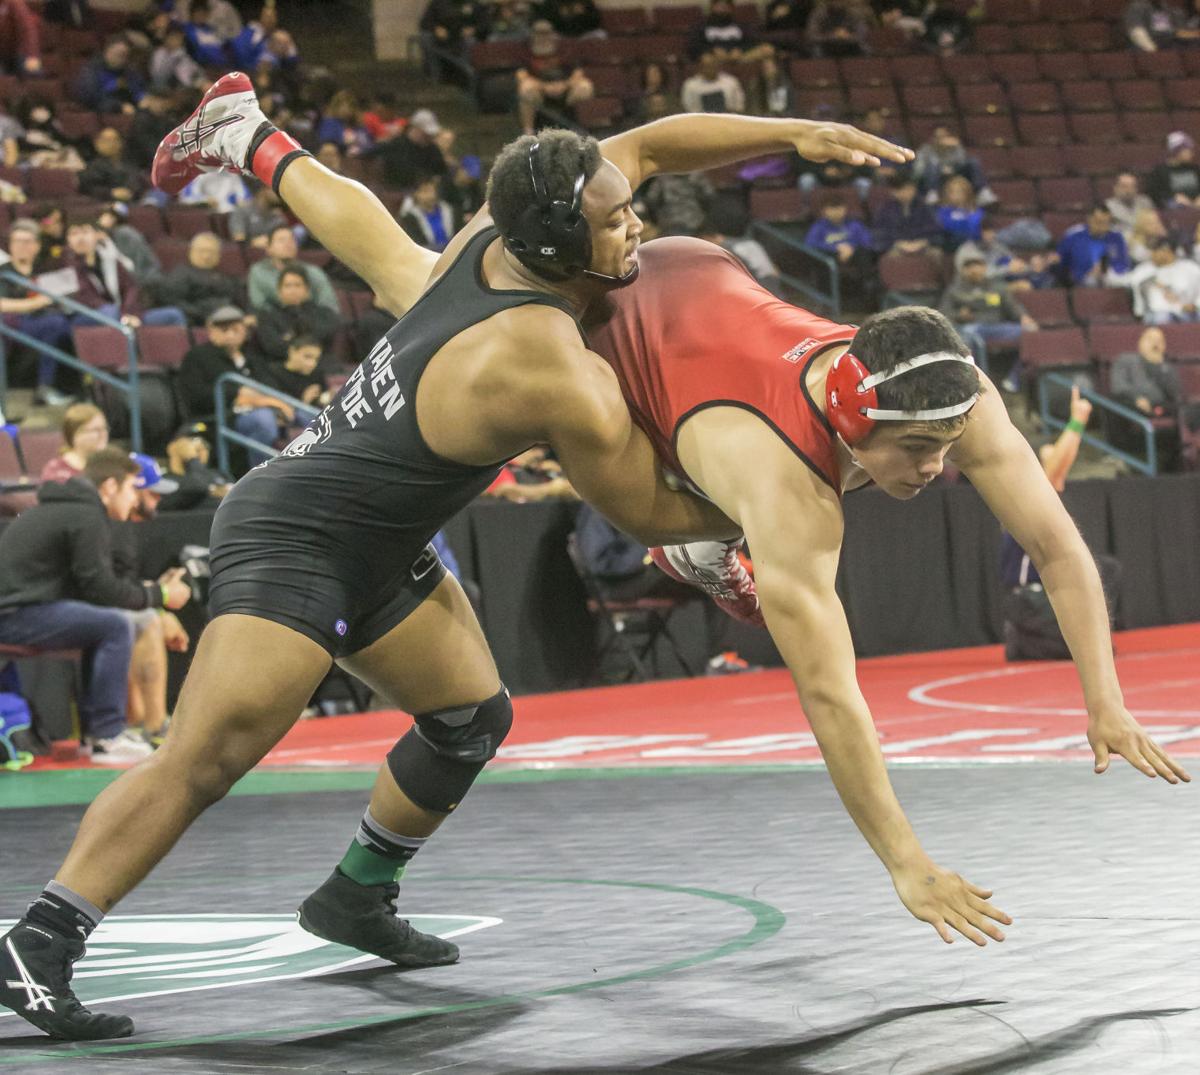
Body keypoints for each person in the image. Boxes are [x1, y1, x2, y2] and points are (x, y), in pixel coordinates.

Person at [0, 72, 921, 1040]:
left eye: (629, 216)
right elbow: (650, 510)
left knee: (468, 716)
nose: (636, 232)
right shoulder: (543, 364)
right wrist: (777, 497)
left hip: (380, 533)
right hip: (300, 536)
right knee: (205, 758)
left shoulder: (504, 233)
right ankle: (41, 940)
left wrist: (796, 129)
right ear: (562, 247)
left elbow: (649, 145)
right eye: (615, 228)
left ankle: (357, 893)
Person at [0, 448, 191, 766]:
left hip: (20, 609)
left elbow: (91, 589)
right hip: (13, 616)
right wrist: (161, 596)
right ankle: (107, 736)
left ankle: (98, 735)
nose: (133, 498)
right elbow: (101, 590)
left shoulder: (70, 510)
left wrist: (152, 597)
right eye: (131, 488)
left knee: (104, 623)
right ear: (110, 487)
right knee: (114, 624)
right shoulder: (86, 515)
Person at [1000, 387, 1121, 660]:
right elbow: (1054, 470)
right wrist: (1077, 421)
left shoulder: (1046, 493)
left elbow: (1060, 466)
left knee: (1105, 570)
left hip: (1042, 595)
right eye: (1049, 452)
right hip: (1028, 600)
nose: (1056, 455)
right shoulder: (1023, 494)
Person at [112, 453, 191, 744]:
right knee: (144, 621)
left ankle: (145, 724)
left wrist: (158, 599)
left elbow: (120, 584)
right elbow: (107, 589)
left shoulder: (124, 528)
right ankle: (152, 726)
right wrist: (161, 602)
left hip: (101, 603)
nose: (158, 501)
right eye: (152, 494)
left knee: (143, 618)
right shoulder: (110, 526)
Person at [176, 305, 284, 462]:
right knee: (263, 420)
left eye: (235, 329)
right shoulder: (197, 357)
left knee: (309, 417)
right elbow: (196, 397)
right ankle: (260, 477)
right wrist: (236, 394)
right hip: (223, 416)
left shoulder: (252, 357)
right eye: (224, 329)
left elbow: (271, 385)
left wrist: (265, 401)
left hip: (261, 407)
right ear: (211, 331)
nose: (230, 334)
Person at [64, 217, 187, 329]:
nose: (80, 238)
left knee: (174, 315)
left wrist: (130, 314)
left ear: (97, 235)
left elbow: (131, 288)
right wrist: (121, 315)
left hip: (122, 314)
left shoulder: (111, 258)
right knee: (110, 312)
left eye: (85, 232)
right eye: (74, 234)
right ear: (68, 240)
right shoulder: (66, 264)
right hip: (86, 315)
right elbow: (86, 297)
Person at [0, 218, 74, 406]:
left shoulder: (45, 270)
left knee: (70, 326)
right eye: (17, 241)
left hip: (45, 321)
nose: (22, 246)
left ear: (37, 246)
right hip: (13, 326)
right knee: (55, 324)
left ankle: (66, 387)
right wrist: (34, 303)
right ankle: (45, 387)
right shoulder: (3, 272)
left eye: (27, 241)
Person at [940, 253, 1039, 355]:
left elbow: (1012, 305)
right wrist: (959, 315)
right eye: (970, 267)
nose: (975, 270)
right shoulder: (954, 290)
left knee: (1030, 330)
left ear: (985, 268)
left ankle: (1019, 371)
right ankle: (974, 370)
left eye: (978, 266)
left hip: (996, 327)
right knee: (967, 337)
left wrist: (1023, 316)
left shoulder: (996, 287)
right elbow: (944, 313)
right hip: (971, 327)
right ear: (963, 270)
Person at [515, 20, 595, 135]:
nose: (543, 37)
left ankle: (583, 127)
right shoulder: (525, 50)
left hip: (565, 91)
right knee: (526, 88)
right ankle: (528, 131)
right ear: (532, 34)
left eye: (546, 33)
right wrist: (545, 87)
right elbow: (521, 76)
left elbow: (578, 73)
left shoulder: (565, 48)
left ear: (553, 34)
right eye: (539, 33)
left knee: (585, 87)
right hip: (539, 91)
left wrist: (564, 85)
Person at [252, 263, 341, 361]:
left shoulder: (323, 313)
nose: (292, 290)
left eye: (297, 285)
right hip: (284, 366)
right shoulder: (267, 317)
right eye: (287, 286)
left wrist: (290, 338)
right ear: (279, 291)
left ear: (307, 290)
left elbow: (324, 338)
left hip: (323, 364)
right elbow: (273, 347)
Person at [151, 232, 243, 326]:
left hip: (228, 317)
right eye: (202, 251)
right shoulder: (181, 274)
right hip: (197, 319)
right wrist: (202, 314)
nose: (206, 256)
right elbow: (172, 300)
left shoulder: (225, 275)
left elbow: (237, 296)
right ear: (192, 251)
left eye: (211, 252)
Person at [246, 223, 340, 313]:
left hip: (313, 321)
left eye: (291, 240)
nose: (288, 244)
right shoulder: (258, 272)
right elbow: (259, 305)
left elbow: (329, 305)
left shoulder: (313, 272)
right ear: (269, 248)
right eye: (281, 240)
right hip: (275, 323)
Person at [1119, 237, 1200, 323]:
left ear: (1167, 251)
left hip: (1191, 311)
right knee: (1162, 317)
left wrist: (1195, 305)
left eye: (1155, 251)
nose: (1152, 254)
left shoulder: (1190, 268)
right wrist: (1179, 307)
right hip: (1158, 313)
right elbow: (1156, 304)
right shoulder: (1144, 271)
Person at [158, 421, 234, 510]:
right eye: (192, 441)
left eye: (204, 442)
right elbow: (197, 486)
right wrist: (192, 459)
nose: (200, 446)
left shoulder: (221, 475)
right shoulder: (163, 479)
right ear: (172, 447)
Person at [873, 172, 941, 266]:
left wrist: (923, 242)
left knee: (937, 254)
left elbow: (935, 229)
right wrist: (898, 243)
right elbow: (880, 233)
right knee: (889, 258)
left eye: (911, 189)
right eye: (904, 189)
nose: (908, 192)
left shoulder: (924, 207)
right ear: (894, 191)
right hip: (894, 246)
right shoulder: (885, 209)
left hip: (923, 244)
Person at [1056, 205, 1132, 286]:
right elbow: (1061, 264)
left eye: (1107, 223)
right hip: (1079, 283)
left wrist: (1108, 272)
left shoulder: (1116, 237)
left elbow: (1122, 263)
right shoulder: (1073, 236)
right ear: (1089, 219)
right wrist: (1084, 274)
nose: (1103, 227)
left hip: (1112, 282)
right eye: (1099, 222)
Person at [375, 108, 449, 190]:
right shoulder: (396, 146)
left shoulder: (432, 149)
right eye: (425, 133)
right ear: (414, 128)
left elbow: (442, 172)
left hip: (426, 192)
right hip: (398, 191)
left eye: (430, 135)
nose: (428, 137)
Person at [74, 36, 145, 114]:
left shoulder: (128, 71)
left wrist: (143, 99)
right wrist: (118, 106)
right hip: (101, 114)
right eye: (119, 55)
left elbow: (138, 89)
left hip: (129, 112)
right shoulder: (92, 70)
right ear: (107, 52)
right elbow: (90, 98)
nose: (123, 59)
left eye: (125, 56)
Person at [40, 404, 108, 483]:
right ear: (75, 434)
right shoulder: (56, 471)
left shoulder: (112, 466)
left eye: (104, 428)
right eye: (96, 430)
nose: (103, 434)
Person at [78, 127, 144, 204]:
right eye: (107, 140)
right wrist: (111, 193)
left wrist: (131, 191)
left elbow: (137, 181)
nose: (112, 143)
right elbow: (88, 188)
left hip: (134, 199)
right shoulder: (94, 166)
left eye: (115, 140)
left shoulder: (129, 163)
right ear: (98, 144)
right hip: (108, 202)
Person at [399, 176, 458, 253]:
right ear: (416, 194)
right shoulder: (409, 219)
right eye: (425, 191)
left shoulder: (450, 210)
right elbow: (417, 245)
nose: (430, 195)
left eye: (432, 190)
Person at [1146, 130, 1200, 208]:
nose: (1191, 153)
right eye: (1187, 149)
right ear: (1176, 151)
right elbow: (1155, 194)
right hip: (1175, 210)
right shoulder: (1160, 171)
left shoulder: (1195, 169)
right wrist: (1173, 198)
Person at [681, 52, 746, 114]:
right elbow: (689, 109)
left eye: (713, 65)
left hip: (729, 119)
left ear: (718, 66)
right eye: (707, 66)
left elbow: (739, 106)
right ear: (700, 67)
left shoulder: (731, 82)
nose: (710, 69)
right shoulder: (690, 85)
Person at [1106, 172, 1156, 238]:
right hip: (1123, 242)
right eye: (1124, 186)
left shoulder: (1145, 202)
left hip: (1146, 240)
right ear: (1115, 188)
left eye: (1132, 186)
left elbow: (1154, 225)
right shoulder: (1108, 206)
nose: (1128, 190)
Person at [0, 0, 43, 76]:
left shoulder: (14, 3)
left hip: (26, 53)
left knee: (33, 71)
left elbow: (29, 31)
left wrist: (31, 57)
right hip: (3, 56)